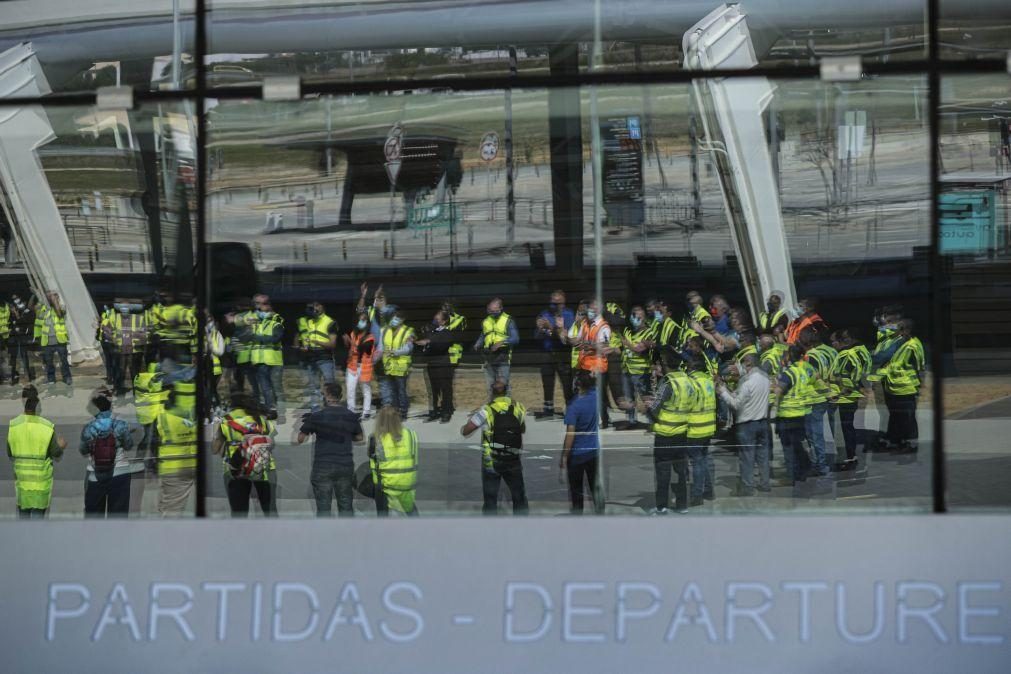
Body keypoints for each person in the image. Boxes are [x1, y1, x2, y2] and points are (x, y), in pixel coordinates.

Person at [641, 349, 696, 514]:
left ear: (665, 364)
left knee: (663, 473)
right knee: (680, 472)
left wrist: (645, 408)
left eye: (660, 364)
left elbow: (655, 409)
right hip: (682, 433)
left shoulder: (668, 382)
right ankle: (682, 505)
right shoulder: (688, 381)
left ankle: (661, 506)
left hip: (665, 435)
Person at [461, 379, 528, 515]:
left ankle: (490, 528)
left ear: (491, 393)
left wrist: (466, 424)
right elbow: (522, 429)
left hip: (491, 461)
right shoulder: (518, 407)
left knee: (491, 500)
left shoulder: (486, 410)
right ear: (507, 391)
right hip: (513, 459)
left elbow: (466, 431)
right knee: (519, 496)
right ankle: (522, 526)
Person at [297, 383, 364, 517]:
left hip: (323, 466)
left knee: (323, 507)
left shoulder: (317, 416)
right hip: (345, 465)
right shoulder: (350, 415)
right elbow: (360, 438)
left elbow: (300, 439)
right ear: (340, 396)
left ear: (327, 396)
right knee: (346, 505)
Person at [213, 393, 278, 517]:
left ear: (231, 405)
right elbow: (272, 444)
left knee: (239, 513)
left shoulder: (225, 421)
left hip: (236, 471)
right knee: (270, 510)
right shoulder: (262, 420)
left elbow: (215, 449)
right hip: (264, 468)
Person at [718, 354, 772, 495]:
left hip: (747, 425)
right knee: (763, 456)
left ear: (748, 364)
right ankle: (765, 483)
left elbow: (735, 404)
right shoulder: (766, 379)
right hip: (763, 423)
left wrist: (723, 392)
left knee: (747, 457)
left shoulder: (748, 383)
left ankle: (747, 487)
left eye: (742, 365)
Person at [6, 394, 66, 518]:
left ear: (25, 408)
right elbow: (56, 453)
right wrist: (61, 446)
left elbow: (10, 452)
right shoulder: (47, 427)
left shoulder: (13, 426)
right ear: (38, 410)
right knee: (37, 521)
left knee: (23, 520)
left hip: (22, 484)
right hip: (40, 484)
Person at [80, 392, 134, 517]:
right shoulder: (120, 424)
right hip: (120, 473)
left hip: (96, 475)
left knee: (94, 521)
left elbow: (83, 450)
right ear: (110, 407)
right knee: (117, 519)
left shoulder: (89, 427)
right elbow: (129, 446)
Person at [560, 370, 605, 514]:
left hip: (577, 454)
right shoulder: (595, 396)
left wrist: (564, 456)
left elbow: (570, 434)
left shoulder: (574, 407)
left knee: (576, 490)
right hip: (593, 451)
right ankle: (600, 513)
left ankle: (578, 516)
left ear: (577, 385)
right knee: (595, 486)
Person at [879, 319, 925, 453]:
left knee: (907, 418)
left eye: (899, 329)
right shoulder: (902, 344)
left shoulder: (913, 346)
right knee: (897, 416)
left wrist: (918, 386)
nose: (896, 332)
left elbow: (919, 367)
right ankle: (896, 441)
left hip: (906, 387)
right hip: (895, 387)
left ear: (907, 330)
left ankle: (911, 444)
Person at [772, 345, 814, 486]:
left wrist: (773, 386)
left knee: (788, 448)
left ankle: (791, 477)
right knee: (797, 446)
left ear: (789, 356)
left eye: (784, 355)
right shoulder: (802, 370)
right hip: (800, 413)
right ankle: (802, 472)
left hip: (787, 415)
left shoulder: (789, 373)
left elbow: (779, 391)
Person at [830, 329, 872, 470]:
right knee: (849, 428)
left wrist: (842, 391)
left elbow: (846, 377)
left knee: (847, 429)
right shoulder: (851, 353)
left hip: (846, 398)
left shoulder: (845, 356)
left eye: (833, 342)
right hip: (850, 396)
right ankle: (851, 456)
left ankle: (851, 458)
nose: (832, 344)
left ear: (841, 341)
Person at [369, 406, 420, 517]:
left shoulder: (376, 438)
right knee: (410, 508)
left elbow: (372, 460)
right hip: (408, 481)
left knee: (383, 513)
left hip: (386, 484)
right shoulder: (411, 435)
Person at [800, 328, 838, 476]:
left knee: (815, 434)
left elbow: (814, 378)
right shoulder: (828, 352)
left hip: (815, 397)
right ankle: (826, 461)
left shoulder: (810, 356)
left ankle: (820, 464)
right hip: (828, 394)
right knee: (827, 432)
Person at [155, 388, 197, 516]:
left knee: (169, 507)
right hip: (185, 463)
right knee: (171, 508)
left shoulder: (163, 415)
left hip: (170, 465)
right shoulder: (187, 417)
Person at [534, 290, 575, 419]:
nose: (555, 305)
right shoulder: (545, 314)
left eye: (558, 303)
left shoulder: (568, 314)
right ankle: (548, 409)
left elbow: (564, 336)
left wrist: (550, 328)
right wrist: (541, 328)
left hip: (563, 353)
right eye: (553, 302)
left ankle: (571, 408)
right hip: (547, 353)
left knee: (567, 383)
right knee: (547, 381)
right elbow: (537, 335)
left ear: (563, 302)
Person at [575, 300, 613, 425]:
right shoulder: (585, 322)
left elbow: (605, 347)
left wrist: (589, 344)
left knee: (599, 395)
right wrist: (565, 335)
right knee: (583, 392)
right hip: (584, 364)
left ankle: (604, 420)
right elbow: (578, 340)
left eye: (593, 309)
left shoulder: (604, 326)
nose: (590, 311)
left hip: (598, 367)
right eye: (590, 309)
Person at [295, 301, 339, 411]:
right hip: (310, 357)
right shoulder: (308, 322)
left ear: (322, 307)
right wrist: (302, 347)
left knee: (329, 383)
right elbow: (299, 338)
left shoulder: (330, 322)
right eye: (311, 306)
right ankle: (315, 409)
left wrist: (316, 341)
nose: (314, 308)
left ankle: (330, 406)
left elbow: (332, 344)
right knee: (313, 385)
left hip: (324, 357)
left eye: (316, 306)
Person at [414, 310, 456, 423]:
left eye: (437, 319)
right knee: (433, 390)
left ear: (444, 321)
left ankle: (446, 411)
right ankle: (435, 411)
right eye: (434, 319)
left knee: (445, 389)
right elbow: (424, 345)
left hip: (443, 365)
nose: (435, 321)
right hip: (431, 364)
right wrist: (418, 342)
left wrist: (428, 342)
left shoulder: (447, 333)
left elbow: (441, 346)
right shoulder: (431, 332)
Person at [686, 357, 717, 506]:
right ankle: (709, 491)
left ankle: (697, 495)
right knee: (703, 460)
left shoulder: (691, 383)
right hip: (708, 427)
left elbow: (687, 404)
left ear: (691, 368)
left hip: (695, 428)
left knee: (697, 462)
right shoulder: (708, 381)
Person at [473, 297, 519, 397]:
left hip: (503, 357)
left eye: (494, 311)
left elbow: (515, 338)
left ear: (501, 308)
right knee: (490, 386)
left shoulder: (508, 320)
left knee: (503, 386)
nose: (491, 313)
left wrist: (501, 343)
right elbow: (484, 334)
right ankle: (491, 408)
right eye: (489, 310)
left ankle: (506, 409)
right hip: (488, 357)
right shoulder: (486, 321)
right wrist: (478, 343)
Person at [620, 305, 656, 426]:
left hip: (641, 371)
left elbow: (639, 349)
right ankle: (631, 421)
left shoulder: (648, 332)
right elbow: (621, 348)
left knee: (646, 397)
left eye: (639, 317)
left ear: (644, 318)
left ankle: (652, 421)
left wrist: (627, 343)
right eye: (634, 316)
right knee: (628, 396)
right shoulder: (628, 331)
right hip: (626, 369)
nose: (636, 319)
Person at [250, 293, 284, 419]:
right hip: (259, 359)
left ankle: (279, 410)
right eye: (256, 304)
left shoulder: (277, 318)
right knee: (265, 388)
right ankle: (271, 410)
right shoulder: (254, 319)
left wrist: (256, 337)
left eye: (262, 304)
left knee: (276, 387)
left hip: (273, 360)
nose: (258, 307)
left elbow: (276, 338)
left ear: (269, 305)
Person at [380, 309, 414, 420]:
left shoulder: (409, 331)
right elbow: (381, 347)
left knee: (401, 390)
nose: (394, 320)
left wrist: (396, 352)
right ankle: (394, 411)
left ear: (402, 320)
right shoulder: (384, 330)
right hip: (388, 366)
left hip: (401, 366)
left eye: (397, 318)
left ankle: (403, 412)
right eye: (393, 317)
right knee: (391, 390)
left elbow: (409, 348)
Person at [111, 300, 149, 396]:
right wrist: (114, 339)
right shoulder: (115, 318)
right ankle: (120, 392)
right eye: (122, 307)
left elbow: (145, 334)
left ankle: (137, 393)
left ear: (131, 308)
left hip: (134, 350)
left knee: (135, 372)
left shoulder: (138, 319)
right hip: (121, 350)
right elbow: (109, 332)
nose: (124, 309)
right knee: (120, 371)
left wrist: (135, 335)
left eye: (126, 307)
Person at [34, 291, 72, 385]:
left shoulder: (62, 307)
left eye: (52, 297)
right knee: (49, 362)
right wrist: (37, 295)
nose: (50, 298)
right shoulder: (44, 309)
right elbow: (35, 311)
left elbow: (59, 314)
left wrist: (55, 300)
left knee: (64, 361)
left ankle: (67, 377)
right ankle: (51, 378)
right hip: (47, 342)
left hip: (60, 341)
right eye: (49, 297)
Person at [344, 311, 376, 419]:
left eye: (363, 320)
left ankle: (366, 412)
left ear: (367, 323)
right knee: (350, 389)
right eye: (359, 320)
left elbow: (363, 349)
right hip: (352, 366)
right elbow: (349, 348)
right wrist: (347, 342)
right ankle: (350, 411)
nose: (360, 322)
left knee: (365, 389)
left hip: (364, 367)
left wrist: (351, 343)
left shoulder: (370, 337)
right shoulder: (353, 334)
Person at [8, 293, 36, 385]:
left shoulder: (27, 311)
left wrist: (17, 315)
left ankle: (27, 375)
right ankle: (13, 377)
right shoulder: (12, 311)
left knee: (24, 357)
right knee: (13, 358)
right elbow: (11, 323)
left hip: (23, 336)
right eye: (14, 299)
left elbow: (24, 321)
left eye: (17, 298)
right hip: (13, 338)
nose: (16, 301)